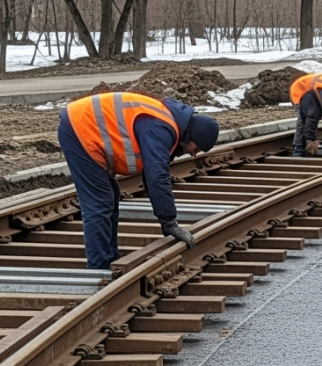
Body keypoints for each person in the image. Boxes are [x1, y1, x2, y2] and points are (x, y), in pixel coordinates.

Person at [58, 91, 220, 269]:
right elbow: (157, 177)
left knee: (109, 197)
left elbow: (152, 175)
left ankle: (108, 259)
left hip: (82, 126)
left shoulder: (166, 122)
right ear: (192, 136)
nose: (193, 153)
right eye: (196, 148)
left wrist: (165, 219)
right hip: (79, 129)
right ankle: (99, 267)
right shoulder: (161, 128)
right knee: (99, 202)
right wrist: (169, 223)